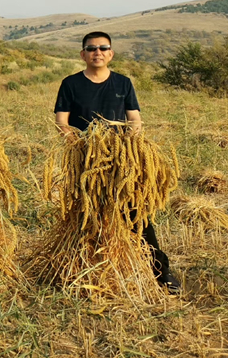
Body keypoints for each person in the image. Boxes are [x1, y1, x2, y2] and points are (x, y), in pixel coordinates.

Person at [54, 31, 181, 292]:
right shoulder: (70, 84)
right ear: (83, 54)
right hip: (85, 163)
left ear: (111, 54)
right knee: (86, 215)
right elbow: (61, 122)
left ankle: (161, 271)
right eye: (91, 48)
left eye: (103, 48)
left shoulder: (123, 83)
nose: (97, 52)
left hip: (121, 162)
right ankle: (81, 271)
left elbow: (134, 119)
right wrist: (80, 145)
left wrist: (129, 144)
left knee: (137, 215)